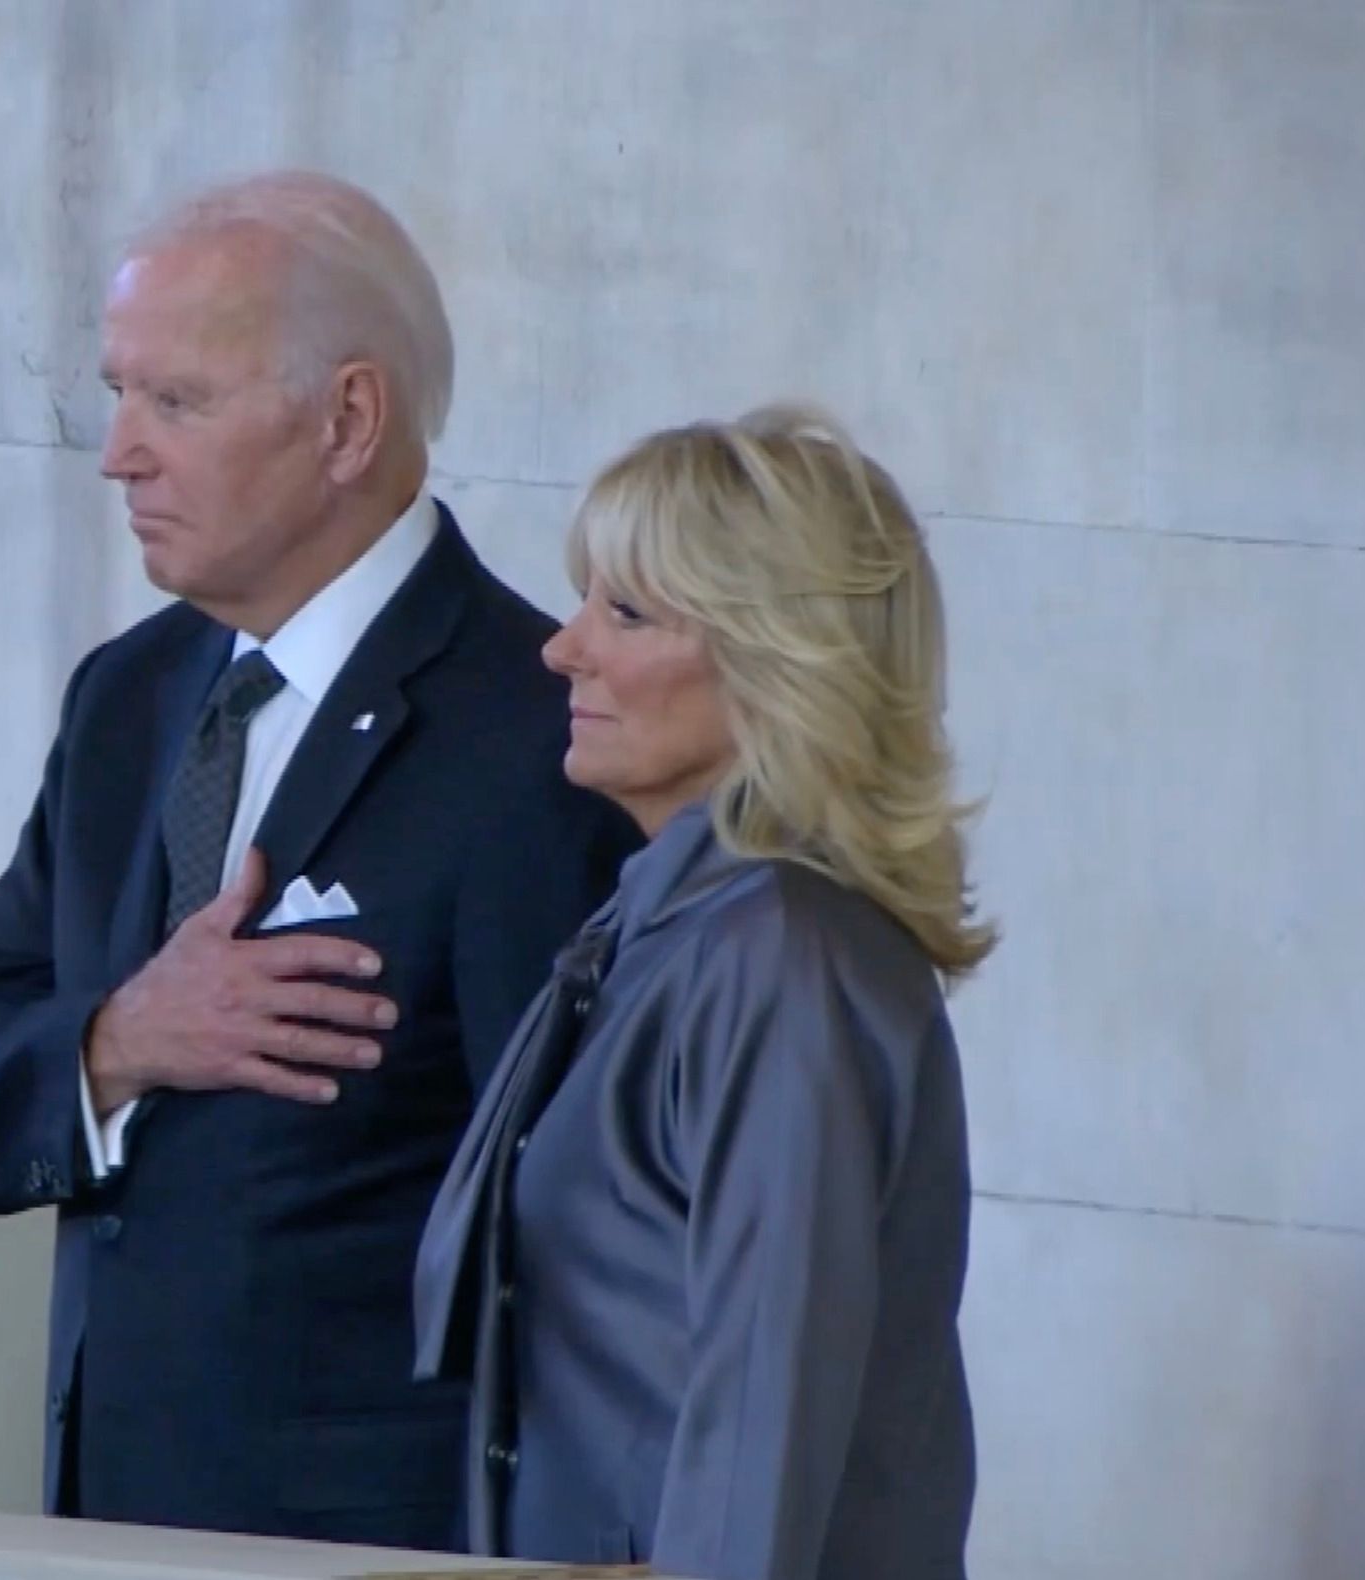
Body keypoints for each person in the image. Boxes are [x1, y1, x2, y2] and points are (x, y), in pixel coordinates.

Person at [0, 170, 643, 1550]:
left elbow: (577, 1259)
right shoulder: (128, 701)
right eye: (118, 392)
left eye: (177, 402)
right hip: (102, 1523)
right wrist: (117, 1042)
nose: (117, 452)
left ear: (349, 419)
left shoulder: (534, 739)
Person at [414, 404, 992, 1577]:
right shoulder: (675, 925)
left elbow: (765, 1387)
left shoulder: (778, 953)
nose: (560, 647)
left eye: (625, 612)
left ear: (776, 662)